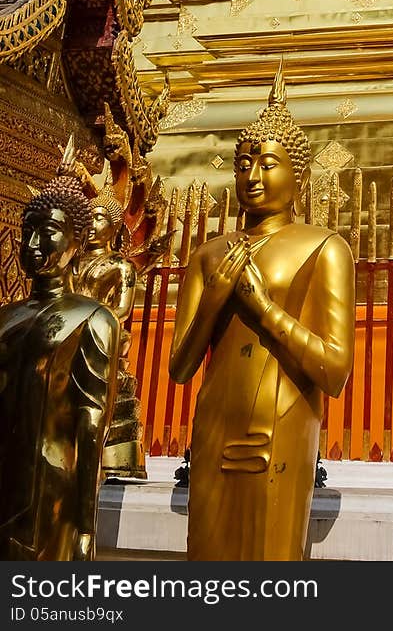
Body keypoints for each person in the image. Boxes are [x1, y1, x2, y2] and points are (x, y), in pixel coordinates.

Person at [169, 61, 355, 560]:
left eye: (268, 163)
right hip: (213, 427)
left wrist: (263, 308)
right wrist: (214, 299)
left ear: (300, 174)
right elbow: (180, 367)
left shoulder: (324, 248)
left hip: (281, 427)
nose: (252, 176)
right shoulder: (210, 255)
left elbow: (334, 370)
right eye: (244, 164)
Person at [0, 173, 120, 560]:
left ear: (78, 243)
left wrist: (86, 526)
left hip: (48, 490)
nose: (34, 244)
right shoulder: (6, 316)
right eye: (28, 232)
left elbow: (91, 424)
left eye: (48, 232)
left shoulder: (93, 318)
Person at [77, 190, 145, 478]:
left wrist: (91, 324)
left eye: (100, 218)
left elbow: (123, 310)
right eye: (89, 218)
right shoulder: (72, 262)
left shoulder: (121, 266)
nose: (93, 224)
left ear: (114, 226)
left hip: (103, 333)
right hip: (70, 333)